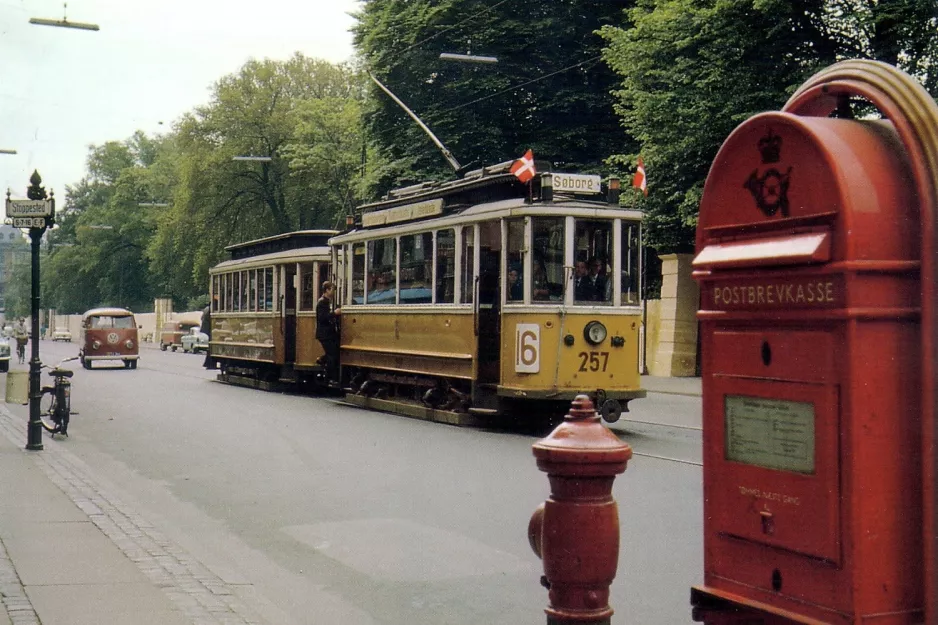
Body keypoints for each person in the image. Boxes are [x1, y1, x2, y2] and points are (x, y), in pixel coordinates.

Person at [316, 281, 340, 381]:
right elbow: (322, 318)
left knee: (334, 351)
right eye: (332, 289)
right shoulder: (322, 302)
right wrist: (335, 313)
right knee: (332, 354)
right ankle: (330, 376)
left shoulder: (327, 301)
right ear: (327, 290)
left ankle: (322, 360)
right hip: (324, 334)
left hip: (329, 333)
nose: (334, 291)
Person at [200, 304, 216, 370]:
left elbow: (202, 318)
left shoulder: (207, 308)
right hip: (210, 328)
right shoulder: (210, 308)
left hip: (208, 328)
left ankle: (209, 363)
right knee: (211, 346)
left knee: (210, 346)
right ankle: (210, 363)